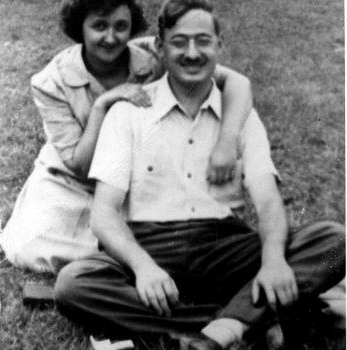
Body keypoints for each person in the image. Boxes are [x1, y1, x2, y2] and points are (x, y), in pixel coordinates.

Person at [54, 1, 345, 349]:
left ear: (219, 45)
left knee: (333, 240)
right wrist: (144, 267)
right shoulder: (129, 113)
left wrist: (271, 260)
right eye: (179, 42)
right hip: (152, 245)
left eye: (203, 41)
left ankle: (209, 334)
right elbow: (103, 214)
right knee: (75, 284)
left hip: (227, 248)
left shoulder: (240, 117)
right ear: (159, 48)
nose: (192, 53)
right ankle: (249, 320)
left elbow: (268, 202)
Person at [0, 0, 253, 274]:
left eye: (121, 26)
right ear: (80, 29)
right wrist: (102, 105)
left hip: (134, 179)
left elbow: (239, 84)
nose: (110, 37)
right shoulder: (50, 82)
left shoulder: (153, 57)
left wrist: (226, 143)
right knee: (32, 246)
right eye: (99, 26)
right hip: (72, 184)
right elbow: (81, 167)